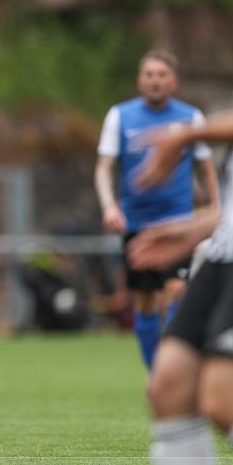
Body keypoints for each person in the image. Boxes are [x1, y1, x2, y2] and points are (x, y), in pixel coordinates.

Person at [128, 82, 233, 465]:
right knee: (169, 385)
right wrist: (197, 228)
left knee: (223, 400)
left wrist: (186, 134)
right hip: (227, 247)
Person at [94, 50, 218, 370]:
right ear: (140, 80)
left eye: (161, 74)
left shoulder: (191, 118)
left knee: (176, 291)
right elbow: (104, 168)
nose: (155, 80)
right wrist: (109, 207)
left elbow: (206, 169)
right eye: (149, 74)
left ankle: (171, 368)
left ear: (173, 81)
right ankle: (154, 373)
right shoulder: (120, 116)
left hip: (178, 223)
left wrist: (217, 209)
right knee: (145, 302)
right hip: (136, 225)